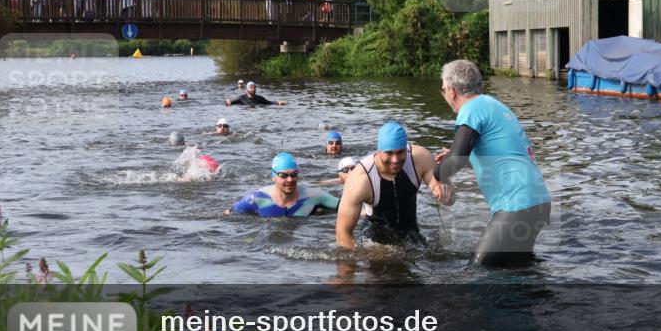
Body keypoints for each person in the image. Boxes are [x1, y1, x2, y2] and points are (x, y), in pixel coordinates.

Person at [435, 59, 551, 266]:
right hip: (538, 201)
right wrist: (455, 153)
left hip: (518, 204)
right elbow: (498, 152)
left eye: (442, 90)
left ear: (451, 91)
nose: (444, 96)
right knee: (517, 268)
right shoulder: (493, 104)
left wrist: (433, 173)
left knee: (479, 269)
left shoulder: (470, 109)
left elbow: (456, 162)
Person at [335, 121, 453, 249]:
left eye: (400, 152)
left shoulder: (420, 158)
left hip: (410, 230)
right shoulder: (360, 179)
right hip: (375, 235)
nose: (395, 160)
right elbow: (343, 233)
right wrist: (351, 264)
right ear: (379, 151)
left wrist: (445, 194)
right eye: (389, 153)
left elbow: (448, 197)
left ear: (406, 148)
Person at [228, 153, 339, 218]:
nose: (290, 179)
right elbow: (229, 214)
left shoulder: (314, 196)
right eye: (284, 175)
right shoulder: (257, 198)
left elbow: (346, 205)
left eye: (294, 174)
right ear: (273, 177)